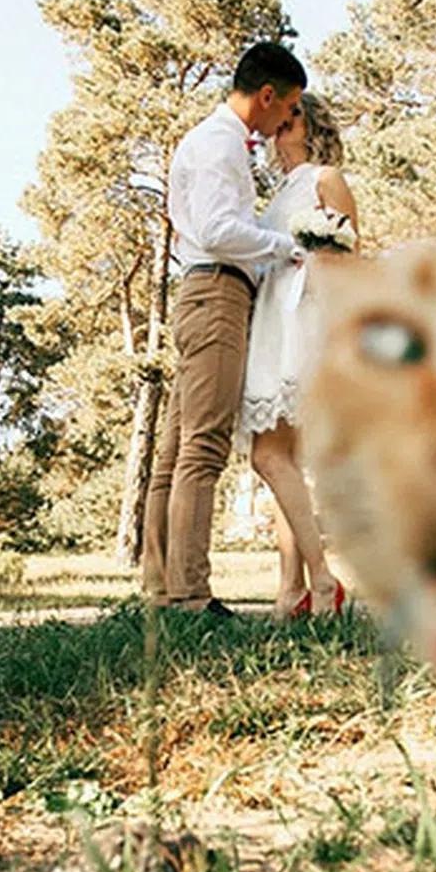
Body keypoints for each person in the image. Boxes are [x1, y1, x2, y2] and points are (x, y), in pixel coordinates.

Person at [142, 42, 308, 618]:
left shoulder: (219, 142)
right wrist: (286, 246)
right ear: (267, 95)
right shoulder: (218, 144)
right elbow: (216, 229)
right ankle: (190, 596)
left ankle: (160, 588)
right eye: (287, 110)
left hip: (203, 290)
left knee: (175, 450)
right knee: (203, 446)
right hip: (216, 292)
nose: (285, 122)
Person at [236, 92, 358, 619]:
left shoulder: (325, 178)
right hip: (270, 319)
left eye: (296, 116)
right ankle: (290, 592)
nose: (283, 123)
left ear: (313, 126)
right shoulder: (278, 192)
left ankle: (324, 580)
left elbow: (349, 260)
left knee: (269, 456)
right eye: (281, 116)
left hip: (303, 321)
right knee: (282, 460)